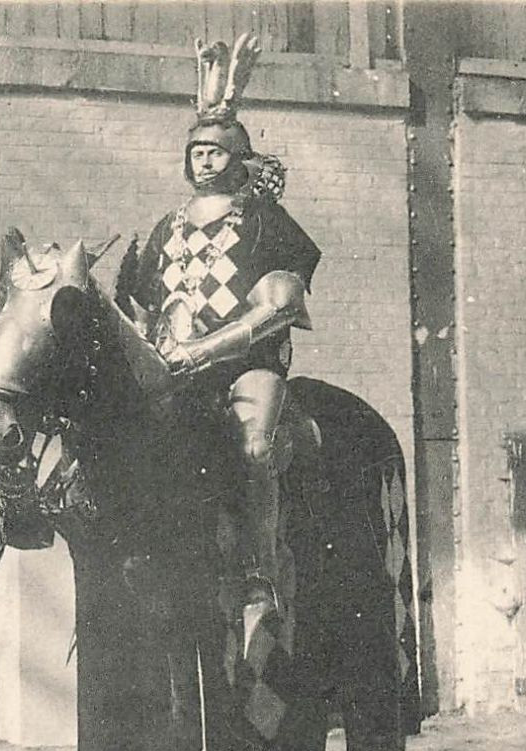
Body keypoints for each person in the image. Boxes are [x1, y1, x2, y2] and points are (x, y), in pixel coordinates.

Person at [117, 33, 320, 634]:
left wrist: (209, 347)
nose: (205, 161)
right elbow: (142, 301)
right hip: (174, 367)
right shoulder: (166, 226)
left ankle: (260, 576)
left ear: (239, 157)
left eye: (216, 152)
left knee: (254, 445)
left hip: (244, 365)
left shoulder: (265, 221)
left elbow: (280, 305)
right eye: (198, 152)